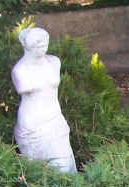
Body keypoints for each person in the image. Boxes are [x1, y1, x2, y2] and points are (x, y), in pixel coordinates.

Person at [12, 28, 77, 173]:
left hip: (55, 120)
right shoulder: (20, 71)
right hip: (33, 125)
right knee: (39, 173)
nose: (44, 49)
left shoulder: (53, 62)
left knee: (64, 168)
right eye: (39, 47)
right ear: (28, 47)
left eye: (45, 45)